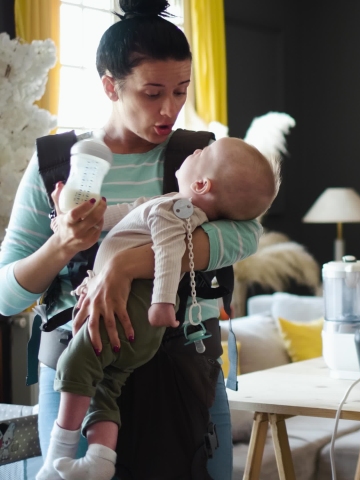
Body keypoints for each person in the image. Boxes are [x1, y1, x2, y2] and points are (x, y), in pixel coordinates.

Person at [0, 1, 263, 478]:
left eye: (181, 91)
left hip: (187, 370)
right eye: (152, 92)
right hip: (79, 377)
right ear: (110, 85)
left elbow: (246, 236)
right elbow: (5, 295)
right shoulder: (58, 165)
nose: (170, 109)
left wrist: (123, 266)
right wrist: (63, 243)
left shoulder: (198, 158)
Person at [35, 137, 276, 480]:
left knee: (76, 364)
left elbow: (168, 255)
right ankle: (100, 459)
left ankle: (56, 460)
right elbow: (115, 217)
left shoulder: (173, 212)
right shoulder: (168, 205)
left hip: (133, 319)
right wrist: (67, 223)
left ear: (201, 184)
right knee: (107, 387)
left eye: (203, 154)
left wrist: (160, 304)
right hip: (139, 330)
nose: (196, 149)